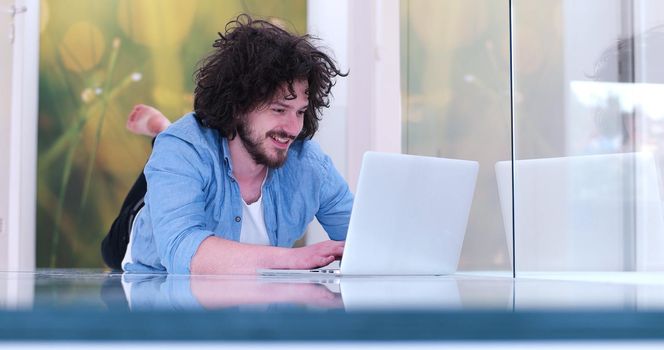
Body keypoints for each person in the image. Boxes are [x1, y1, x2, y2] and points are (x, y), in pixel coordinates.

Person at [101, 14, 353, 274]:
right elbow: (181, 250)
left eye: (300, 112)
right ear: (238, 106)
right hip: (144, 248)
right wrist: (294, 260)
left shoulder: (311, 164)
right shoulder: (182, 150)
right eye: (279, 110)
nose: (293, 128)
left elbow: (363, 241)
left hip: (240, 302)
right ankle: (161, 134)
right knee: (111, 248)